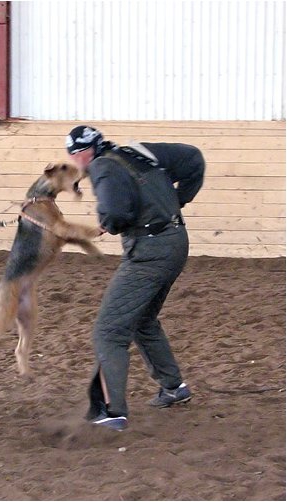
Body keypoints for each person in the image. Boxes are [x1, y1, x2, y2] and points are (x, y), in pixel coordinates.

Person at [65, 125, 205, 431]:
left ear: (84, 152)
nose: (76, 162)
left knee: (109, 331)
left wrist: (107, 223)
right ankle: (173, 387)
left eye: (75, 155)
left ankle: (111, 411)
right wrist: (178, 200)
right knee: (141, 319)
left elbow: (117, 212)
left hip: (150, 252)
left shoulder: (101, 167)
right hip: (176, 241)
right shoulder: (136, 151)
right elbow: (194, 159)